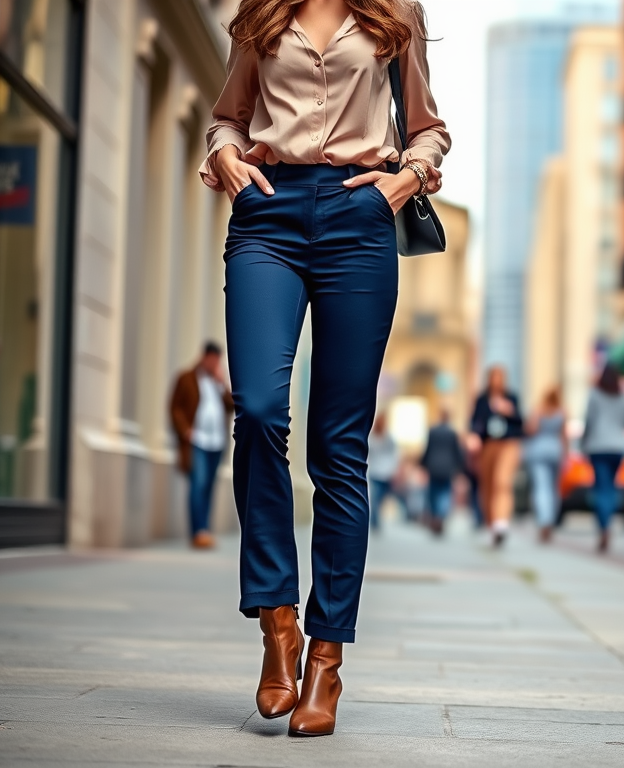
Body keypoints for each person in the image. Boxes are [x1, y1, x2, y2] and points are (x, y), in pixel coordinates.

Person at [200, 0, 449, 738]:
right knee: (260, 410)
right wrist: (224, 157)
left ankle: (325, 660)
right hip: (266, 217)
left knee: (339, 448)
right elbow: (227, 116)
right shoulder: (262, 14)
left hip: (357, 219)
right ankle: (277, 621)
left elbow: (429, 126)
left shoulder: (393, 15)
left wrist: (407, 177)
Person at [169, 342, 234, 550]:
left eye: (218, 360)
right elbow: (175, 407)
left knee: (208, 487)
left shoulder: (217, 383)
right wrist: (185, 430)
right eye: (212, 359)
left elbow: (231, 406)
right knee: (198, 483)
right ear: (204, 357)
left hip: (216, 442)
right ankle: (199, 531)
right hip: (197, 441)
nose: (215, 363)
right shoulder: (186, 378)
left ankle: (204, 529)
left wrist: (222, 384)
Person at [582, 364, 624, 553]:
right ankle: (608, 521)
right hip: (618, 446)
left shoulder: (594, 394)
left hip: (597, 446)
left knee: (601, 488)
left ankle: (604, 526)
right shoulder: (623, 395)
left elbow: (588, 420)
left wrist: (583, 443)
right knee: (611, 487)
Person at [469, 366, 524, 547]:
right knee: (488, 487)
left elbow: (521, 422)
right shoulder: (482, 400)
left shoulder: (511, 398)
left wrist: (510, 411)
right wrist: (474, 437)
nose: (497, 381)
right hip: (488, 445)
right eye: (494, 377)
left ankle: (502, 523)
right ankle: (493, 525)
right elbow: (474, 423)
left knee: (502, 482)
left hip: (508, 444)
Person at [523, 387, 567, 543]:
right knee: (553, 489)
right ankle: (550, 520)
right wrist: (565, 456)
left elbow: (531, 430)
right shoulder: (562, 411)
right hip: (555, 451)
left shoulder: (538, 410)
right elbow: (564, 436)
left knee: (541, 488)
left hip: (538, 451)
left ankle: (544, 520)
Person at [419, 409, 463, 535]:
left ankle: (435, 516)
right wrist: (460, 467)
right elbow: (457, 451)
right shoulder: (452, 433)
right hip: (448, 467)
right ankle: (440, 515)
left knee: (433, 492)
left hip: (433, 466)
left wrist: (423, 464)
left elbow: (427, 449)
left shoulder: (432, 431)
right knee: (445, 492)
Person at [367, 413, 405, 531]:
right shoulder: (372, 437)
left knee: (381, 497)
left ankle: (375, 518)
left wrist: (395, 469)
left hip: (386, 472)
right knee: (376, 497)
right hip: (376, 471)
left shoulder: (389, 438)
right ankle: (375, 520)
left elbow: (395, 455)